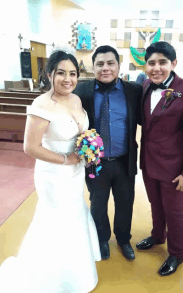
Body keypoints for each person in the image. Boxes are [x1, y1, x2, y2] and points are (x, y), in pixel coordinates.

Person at [0, 50, 101, 292]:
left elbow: (81, 133)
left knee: (75, 216)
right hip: (54, 176)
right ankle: (48, 278)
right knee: (55, 221)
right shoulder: (41, 104)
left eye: (73, 73)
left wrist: (89, 149)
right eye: (61, 73)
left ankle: (74, 275)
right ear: (50, 74)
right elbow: (30, 147)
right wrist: (66, 159)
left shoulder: (76, 99)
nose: (68, 79)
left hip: (75, 174)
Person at [136, 41, 183, 276]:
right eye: (151, 63)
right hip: (148, 163)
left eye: (162, 63)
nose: (156, 68)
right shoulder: (146, 85)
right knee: (155, 205)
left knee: (174, 212)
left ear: (174, 63)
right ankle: (158, 235)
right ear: (145, 65)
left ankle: (177, 254)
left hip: (175, 168)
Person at [74, 45, 142, 261]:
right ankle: (101, 239)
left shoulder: (133, 91)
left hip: (124, 160)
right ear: (93, 67)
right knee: (98, 203)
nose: (105, 68)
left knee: (125, 202)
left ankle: (123, 239)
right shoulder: (81, 92)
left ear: (118, 66)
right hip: (95, 162)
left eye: (110, 63)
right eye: (100, 64)